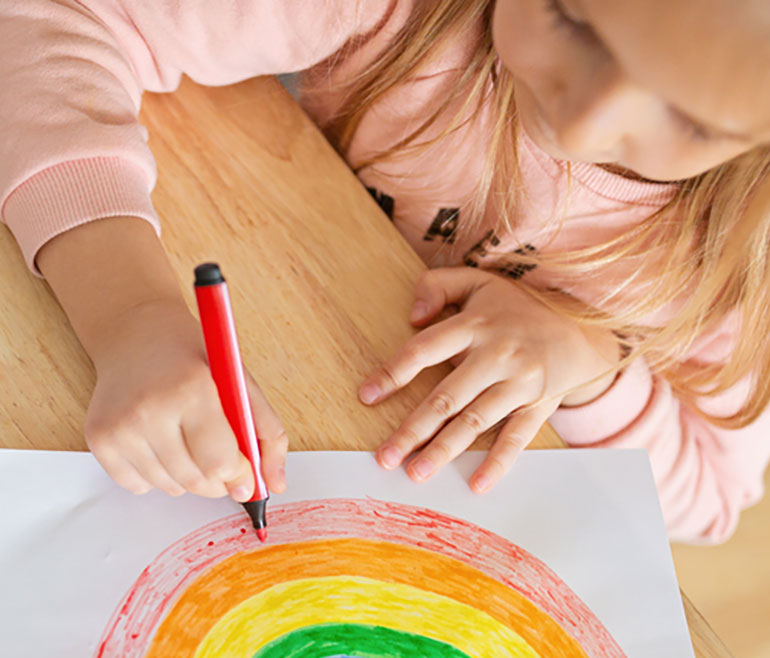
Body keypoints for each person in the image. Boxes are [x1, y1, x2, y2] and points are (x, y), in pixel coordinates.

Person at [2, 0, 769, 543]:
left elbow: (709, 496)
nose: (583, 124)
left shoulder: (746, 244)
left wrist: (593, 367)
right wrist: (130, 314)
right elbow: (49, 20)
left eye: (694, 121)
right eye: (572, 18)